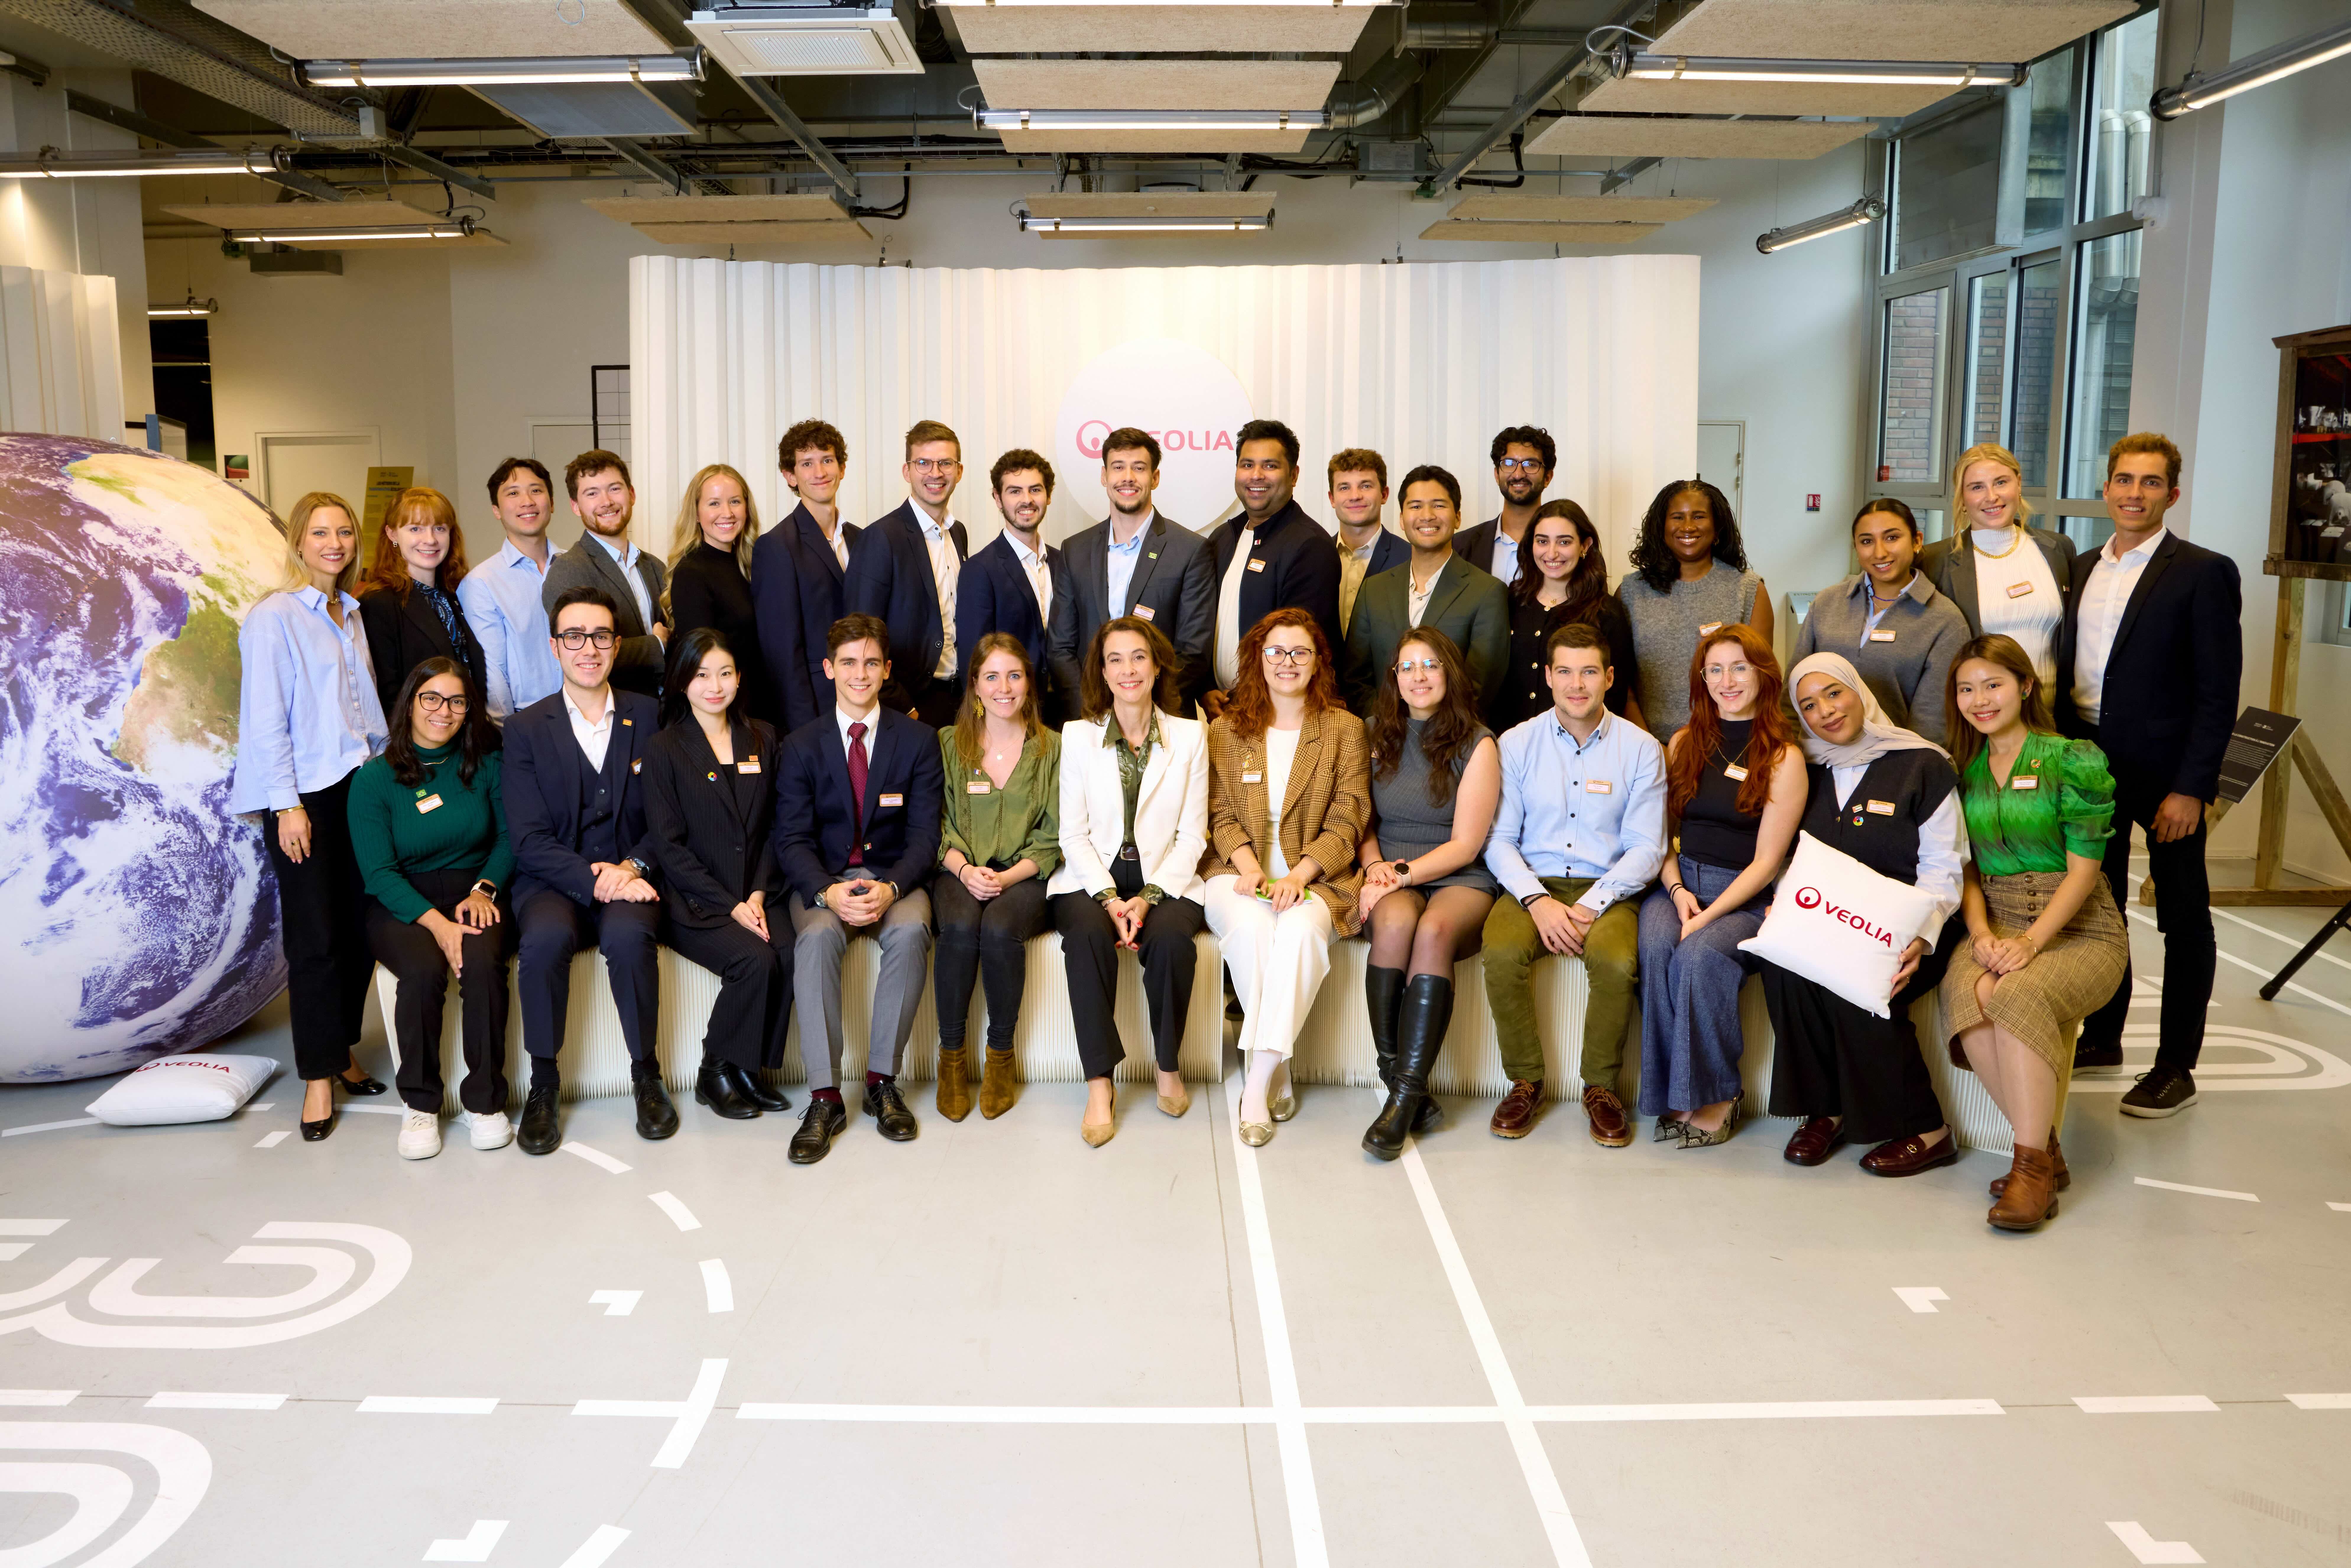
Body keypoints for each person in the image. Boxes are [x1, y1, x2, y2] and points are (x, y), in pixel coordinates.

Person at [2063, 433, 2241, 1116]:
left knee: (2183, 917)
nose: (2133, 492)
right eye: (2123, 479)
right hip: (2088, 767)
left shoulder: (2202, 570)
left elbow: (2215, 690)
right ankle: (2103, 1034)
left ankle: (2176, 1066)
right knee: (2099, 909)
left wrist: (2192, 786)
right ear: (2106, 488)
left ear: (2172, 493)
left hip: (2168, 777)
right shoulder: (2079, 567)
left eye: (2150, 481)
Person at [1939, 634, 2128, 1231]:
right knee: (1966, 993)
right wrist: (1979, 934)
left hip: (2077, 928)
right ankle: (2044, 1156)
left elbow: (2084, 873)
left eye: (1992, 684)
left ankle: (2026, 1169)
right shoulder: (1961, 771)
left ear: (2024, 685)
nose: (1979, 699)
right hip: (1994, 918)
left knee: (2016, 992)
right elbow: (1965, 870)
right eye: (1965, 689)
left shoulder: (2071, 758)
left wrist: (2029, 943)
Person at [229, 491, 392, 1141]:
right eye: (321, 533)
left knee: (360, 933)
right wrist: (286, 805)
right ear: (298, 542)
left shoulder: (349, 613)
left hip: (360, 786)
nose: (335, 543)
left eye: (345, 532)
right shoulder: (275, 617)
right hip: (306, 798)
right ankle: (318, 1078)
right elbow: (264, 718)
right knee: (317, 939)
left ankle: (342, 1049)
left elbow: (364, 709)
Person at [1764, 653, 1965, 1175]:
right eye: (1807, 705)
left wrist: (1919, 939)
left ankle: (1927, 1128)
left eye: (1834, 693)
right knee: (1784, 969)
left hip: (1909, 929)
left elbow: (1943, 866)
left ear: (1859, 692)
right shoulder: (1804, 768)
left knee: (1862, 982)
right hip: (1825, 920)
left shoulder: (1921, 764)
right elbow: (1787, 856)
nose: (1825, 712)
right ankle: (1826, 1111)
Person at [1479, 623, 1665, 1146]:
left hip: (1609, 888)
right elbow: (1497, 839)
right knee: (1498, 951)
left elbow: (1646, 848)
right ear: (1547, 676)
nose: (1575, 684)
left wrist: (1590, 906)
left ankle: (1600, 1088)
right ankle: (1524, 1081)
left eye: (1588, 671)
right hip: (1530, 883)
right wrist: (1536, 901)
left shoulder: (1641, 749)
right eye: (1564, 671)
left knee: (1616, 961)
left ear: (1608, 677)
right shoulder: (1515, 743)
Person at [503, 585, 672, 1155]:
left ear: (616, 644)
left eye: (600, 636)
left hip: (631, 873)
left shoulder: (649, 716)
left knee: (628, 939)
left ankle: (646, 1075)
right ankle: (544, 1084)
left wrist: (633, 866)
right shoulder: (526, 728)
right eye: (574, 637)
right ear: (555, 647)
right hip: (554, 881)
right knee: (546, 940)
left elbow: (669, 815)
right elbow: (526, 838)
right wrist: (595, 878)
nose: (588, 648)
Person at [773, 614, 946, 1163]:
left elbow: (926, 834)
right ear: (828, 669)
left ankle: (880, 1083)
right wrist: (826, 892)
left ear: (887, 669)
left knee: (915, 929)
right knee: (817, 940)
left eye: (871, 662)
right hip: (824, 883)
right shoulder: (799, 746)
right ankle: (825, 1098)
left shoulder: (917, 741)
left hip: (896, 877)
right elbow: (790, 838)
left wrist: (893, 888)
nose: (859, 673)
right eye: (848, 662)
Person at [1201, 607, 1370, 1144]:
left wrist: (1298, 875)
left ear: (1318, 661)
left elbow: (1348, 819)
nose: (1286, 662)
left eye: (1299, 651)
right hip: (1236, 871)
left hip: (1318, 876)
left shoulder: (1345, 730)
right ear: (1257, 658)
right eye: (1275, 651)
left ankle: (1255, 1085)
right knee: (1251, 929)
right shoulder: (1227, 730)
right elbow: (1219, 812)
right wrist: (1251, 870)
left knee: (1297, 933)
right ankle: (1279, 1067)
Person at [1638, 627, 1806, 1146]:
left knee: (1697, 956)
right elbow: (1660, 836)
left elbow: (1766, 864)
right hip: (1679, 884)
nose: (1726, 681)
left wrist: (1707, 917)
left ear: (1762, 674)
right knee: (1654, 943)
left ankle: (1718, 1093)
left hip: (1745, 899)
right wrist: (1675, 891)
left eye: (1738, 668)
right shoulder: (1684, 741)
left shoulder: (1783, 758)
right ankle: (1674, 1093)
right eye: (1714, 670)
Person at [1049, 617, 1211, 1147]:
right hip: (1089, 874)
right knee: (1087, 937)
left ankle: (1167, 1064)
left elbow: (1193, 836)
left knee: (1169, 941)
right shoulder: (1076, 737)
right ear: (1100, 670)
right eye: (1114, 659)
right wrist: (1107, 898)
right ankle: (1100, 1084)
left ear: (1157, 662)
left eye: (1138, 656)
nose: (1128, 669)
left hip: (1164, 875)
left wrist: (1146, 899)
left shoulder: (1189, 735)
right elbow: (1071, 835)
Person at [348, 659, 514, 1160]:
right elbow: (378, 873)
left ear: (469, 710)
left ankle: (484, 1104)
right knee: (421, 972)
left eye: (457, 701)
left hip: (474, 891)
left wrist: (484, 890)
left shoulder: (486, 766)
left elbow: (509, 839)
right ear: (411, 703)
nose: (445, 711)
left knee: (483, 962)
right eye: (432, 699)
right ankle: (419, 1105)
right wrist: (438, 925)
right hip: (402, 899)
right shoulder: (374, 780)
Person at [1355, 628, 1501, 1159]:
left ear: (1450, 674)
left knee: (1434, 930)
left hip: (1455, 875)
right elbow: (1360, 820)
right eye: (1407, 666)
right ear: (1393, 677)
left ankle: (1401, 1099)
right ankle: (1404, 1086)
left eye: (1430, 665)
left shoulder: (1477, 742)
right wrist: (1374, 869)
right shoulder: (1373, 733)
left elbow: (1466, 844)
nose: (1418, 677)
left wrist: (1401, 875)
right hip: (1387, 868)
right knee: (1394, 925)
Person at [643, 628, 796, 1124]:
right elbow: (668, 847)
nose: (715, 685)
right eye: (702, 674)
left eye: (725, 673)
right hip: (697, 900)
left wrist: (755, 892)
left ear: (738, 679)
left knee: (791, 952)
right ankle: (714, 1070)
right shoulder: (665, 749)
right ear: (683, 681)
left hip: (757, 887)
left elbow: (777, 826)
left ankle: (749, 1069)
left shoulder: (763, 737)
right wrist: (732, 905)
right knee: (754, 960)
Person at [932, 633, 1060, 1123]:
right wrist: (964, 870)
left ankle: (1000, 1057)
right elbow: (937, 824)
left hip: (1024, 875)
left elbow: (1052, 834)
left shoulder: (1053, 748)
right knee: (962, 928)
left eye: (1014, 675)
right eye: (991, 677)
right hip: (957, 870)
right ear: (975, 687)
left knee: (999, 928)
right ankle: (951, 1060)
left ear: (1028, 683)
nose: (1003, 687)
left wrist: (1006, 881)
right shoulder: (949, 744)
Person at [1047, 427, 1216, 713]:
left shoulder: (1190, 550)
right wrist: (1093, 712)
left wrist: (1142, 714)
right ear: (1104, 477)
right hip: (1091, 720)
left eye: (1139, 468)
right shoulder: (1074, 550)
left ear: (1155, 477)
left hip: (1162, 721)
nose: (1128, 477)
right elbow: (1061, 647)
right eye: (1118, 467)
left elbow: (1193, 652)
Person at [1340, 464, 1509, 722]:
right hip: (1383, 743)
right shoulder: (1373, 589)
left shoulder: (1487, 592)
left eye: (1439, 505)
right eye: (1416, 506)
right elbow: (1356, 679)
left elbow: (1480, 688)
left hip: (1452, 744)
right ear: (1401, 518)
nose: (1427, 516)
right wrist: (1390, 731)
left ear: (1458, 517)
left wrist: (1427, 737)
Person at [1792, 498, 1971, 742]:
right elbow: (1793, 690)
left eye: (1892, 538)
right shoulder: (1827, 603)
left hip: (1893, 761)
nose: (1880, 552)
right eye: (1867, 541)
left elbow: (1933, 723)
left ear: (1917, 541)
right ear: (1855, 547)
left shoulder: (1945, 621)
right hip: (1818, 758)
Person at [1617, 478, 1772, 740]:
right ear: (1661, 527)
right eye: (1677, 517)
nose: (1688, 526)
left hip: (1727, 743)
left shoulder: (1748, 589)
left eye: (1699, 516)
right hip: (1648, 745)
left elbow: (1761, 680)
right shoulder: (1631, 592)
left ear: (1717, 526)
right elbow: (1623, 684)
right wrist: (1649, 748)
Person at [1205, 420, 1342, 714]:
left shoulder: (1310, 546)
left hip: (1281, 713)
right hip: (1226, 709)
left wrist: (1245, 698)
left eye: (1270, 466)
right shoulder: (1223, 537)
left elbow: (1301, 648)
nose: (1256, 475)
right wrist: (1206, 687)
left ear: (1293, 475)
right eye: (1247, 465)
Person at [1919, 442, 2076, 691]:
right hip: (1981, 715)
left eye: (2001, 482)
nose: (1992, 496)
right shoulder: (1935, 561)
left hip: (2053, 718)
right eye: (1977, 487)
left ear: (2019, 484)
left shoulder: (2058, 549)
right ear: (1962, 498)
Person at [847, 420, 969, 726]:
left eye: (945, 463)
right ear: (907, 471)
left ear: (959, 471)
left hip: (959, 698)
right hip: (910, 703)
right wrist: (904, 709)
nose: (935, 473)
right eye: (923, 463)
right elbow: (861, 636)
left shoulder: (958, 533)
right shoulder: (880, 538)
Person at [750, 419, 856, 733]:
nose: (820, 472)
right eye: (807, 464)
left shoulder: (864, 539)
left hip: (866, 700)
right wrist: (803, 731)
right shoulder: (776, 546)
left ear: (842, 467)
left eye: (827, 460)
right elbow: (781, 655)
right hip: (814, 709)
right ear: (790, 475)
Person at [1496, 499, 1639, 730]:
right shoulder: (1510, 600)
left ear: (1585, 546)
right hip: (1508, 745)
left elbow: (1615, 695)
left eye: (1564, 542)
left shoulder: (1607, 612)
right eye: (1542, 541)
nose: (1552, 553)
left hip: (1580, 747)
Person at [542, 450, 669, 698]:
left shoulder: (654, 566)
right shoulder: (568, 570)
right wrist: (658, 645)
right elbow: (580, 652)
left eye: (614, 489)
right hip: (614, 714)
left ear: (631, 494)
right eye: (592, 493)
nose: (606, 501)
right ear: (576, 506)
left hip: (669, 712)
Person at [665, 463, 782, 728]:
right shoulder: (692, 572)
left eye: (735, 502)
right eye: (714, 504)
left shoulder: (754, 564)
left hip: (762, 708)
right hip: (727, 716)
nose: (727, 513)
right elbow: (704, 666)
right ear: (696, 513)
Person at [357, 486, 485, 719]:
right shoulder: (378, 603)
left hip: (471, 737)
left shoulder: (458, 594)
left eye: (439, 528)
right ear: (392, 534)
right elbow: (388, 695)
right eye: (416, 528)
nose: (430, 539)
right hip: (421, 744)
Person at [955, 450, 1064, 719]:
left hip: (1066, 711)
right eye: (1015, 491)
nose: (1026, 500)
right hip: (1009, 714)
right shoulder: (980, 570)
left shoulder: (1065, 562)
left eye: (1035, 490)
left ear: (1048, 495)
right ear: (998, 498)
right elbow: (974, 659)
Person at [459, 456, 565, 723]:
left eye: (536, 490)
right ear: (496, 509)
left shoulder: (576, 566)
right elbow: (493, 672)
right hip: (527, 722)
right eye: (513, 493)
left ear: (552, 502)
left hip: (589, 717)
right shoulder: (482, 583)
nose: (527, 501)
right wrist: (509, 735)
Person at [1454, 425, 1556, 590]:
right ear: (1497, 475)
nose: (1518, 474)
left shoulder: (1569, 548)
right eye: (1509, 464)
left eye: (1531, 465)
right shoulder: (1460, 546)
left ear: (1548, 477)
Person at [1329, 447, 1407, 635]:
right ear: (1332, 498)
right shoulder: (1314, 557)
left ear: (1385, 495)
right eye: (1345, 488)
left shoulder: (1409, 558)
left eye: (1366, 486)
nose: (1355, 496)